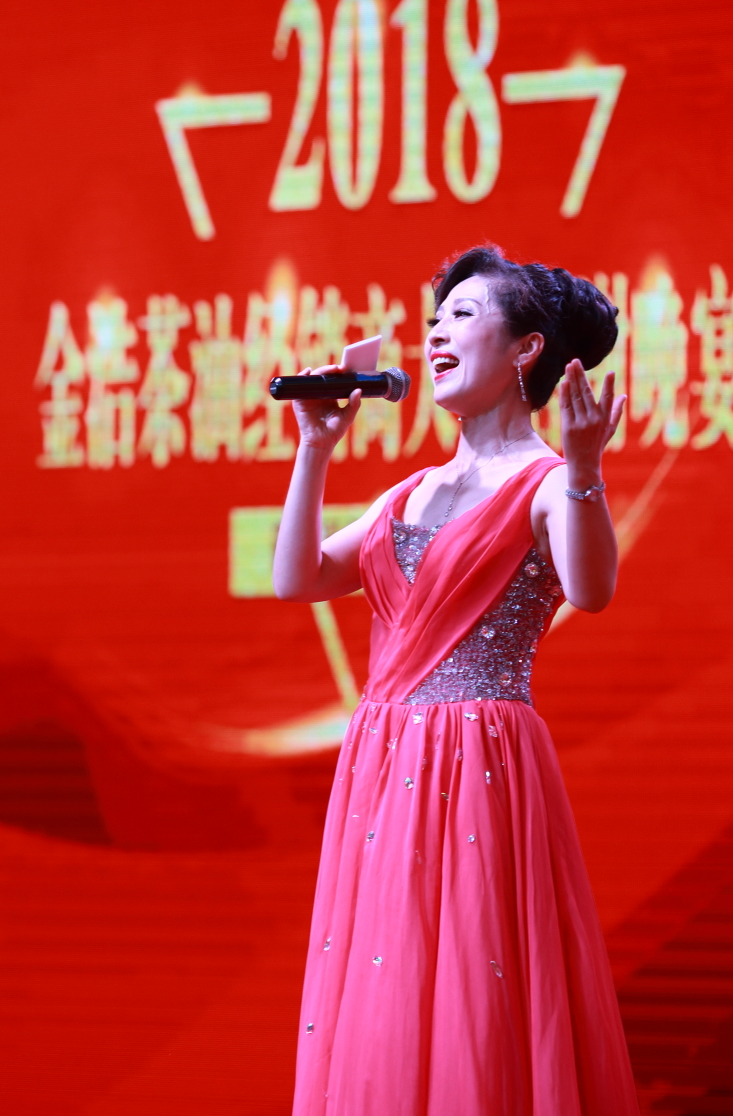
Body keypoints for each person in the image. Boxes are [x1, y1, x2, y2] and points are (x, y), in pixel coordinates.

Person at [273, 243, 639, 1115]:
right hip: (380, 765)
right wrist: (314, 449)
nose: (435, 333)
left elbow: (590, 590)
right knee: (383, 994)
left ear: (525, 350)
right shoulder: (407, 492)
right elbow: (297, 577)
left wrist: (585, 471)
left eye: (462, 316)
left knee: (475, 991)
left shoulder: (544, 483)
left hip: (480, 767)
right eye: (433, 319)